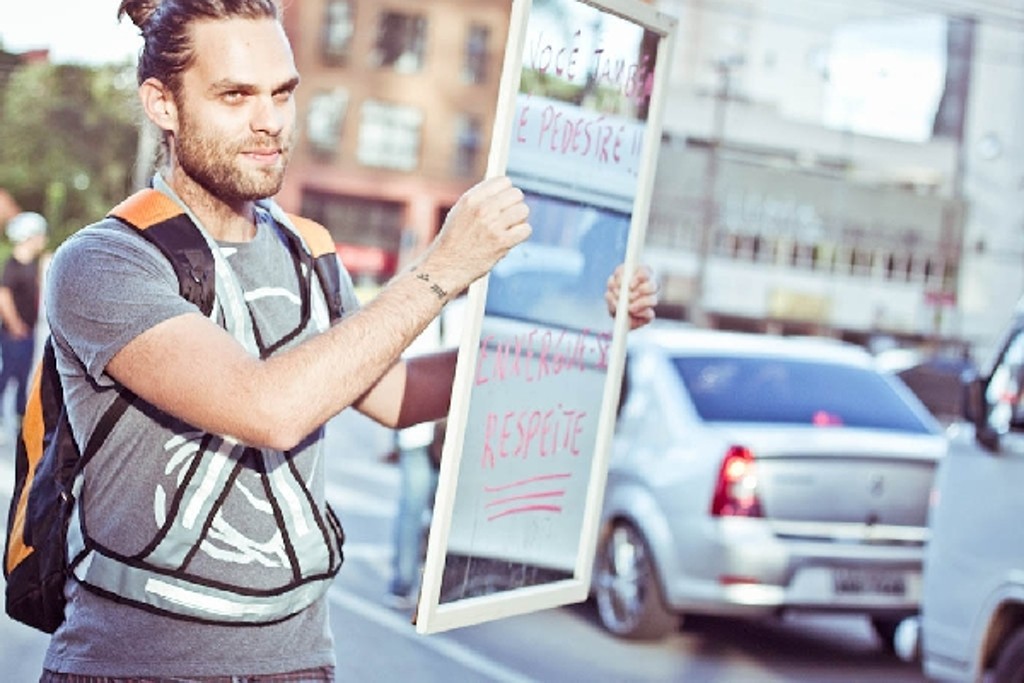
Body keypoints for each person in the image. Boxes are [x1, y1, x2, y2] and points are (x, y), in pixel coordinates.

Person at [38, 1, 659, 681]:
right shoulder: (105, 262)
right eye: (235, 95)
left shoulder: (307, 251)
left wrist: (583, 332)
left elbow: (399, 396)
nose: (269, 120)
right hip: (136, 668)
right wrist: (442, 268)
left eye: (283, 93)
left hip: (300, 663)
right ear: (163, 102)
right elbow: (267, 408)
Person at [0, 210, 48, 434]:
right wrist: (15, 323)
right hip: (14, 332)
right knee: (8, 374)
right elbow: (4, 296)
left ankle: (21, 418)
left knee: (23, 376)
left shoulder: (31, 264)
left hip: (28, 330)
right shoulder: (14, 265)